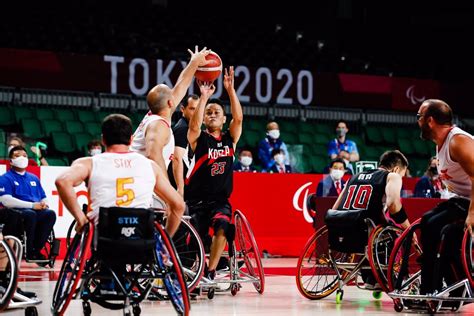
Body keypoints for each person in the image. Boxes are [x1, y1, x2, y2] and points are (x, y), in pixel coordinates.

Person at [55, 114, 185, 238]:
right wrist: (165, 239)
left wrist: (81, 219)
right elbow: (179, 205)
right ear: (131, 139)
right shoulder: (150, 166)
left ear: (103, 139)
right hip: (140, 236)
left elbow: (62, 181)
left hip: (104, 235)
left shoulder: (89, 163)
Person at [130, 46, 210, 209]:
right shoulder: (158, 125)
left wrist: (194, 63)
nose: (175, 95)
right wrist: (167, 189)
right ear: (170, 103)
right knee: (178, 208)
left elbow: (180, 86)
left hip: (141, 180)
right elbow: (154, 155)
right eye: (172, 96)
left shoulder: (156, 114)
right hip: (138, 185)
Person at [185, 66, 243, 280]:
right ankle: (196, 270)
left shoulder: (230, 139)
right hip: (196, 200)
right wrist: (203, 97)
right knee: (196, 241)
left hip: (220, 201)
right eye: (208, 112)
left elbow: (239, 119)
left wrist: (230, 91)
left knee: (223, 226)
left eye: (216, 112)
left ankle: (211, 271)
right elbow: (193, 126)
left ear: (223, 119)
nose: (212, 115)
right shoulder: (199, 139)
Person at [415, 99, 474, 295]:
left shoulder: (458, 141)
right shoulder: (441, 142)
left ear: (430, 120)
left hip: (471, 202)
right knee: (427, 221)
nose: (417, 121)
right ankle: (440, 287)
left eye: (419, 117)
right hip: (463, 199)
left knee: (437, 227)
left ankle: (430, 288)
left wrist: (472, 214)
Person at [329, 150, 411, 289]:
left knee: (376, 227)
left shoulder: (354, 176)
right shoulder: (392, 176)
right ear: (396, 169)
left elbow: (335, 207)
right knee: (393, 231)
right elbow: (393, 205)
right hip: (365, 234)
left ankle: (370, 278)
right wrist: (409, 228)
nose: (402, 178)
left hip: (340, 232)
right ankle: (390, 278)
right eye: (403, 174)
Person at [0, 146, 56, 260]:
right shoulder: (5, 178)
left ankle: (36, 249)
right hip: (15, 211)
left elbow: (43, 197)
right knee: (30, 214)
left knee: (50, 214)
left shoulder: (33, 178)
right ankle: (29, 251)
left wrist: (44, 204)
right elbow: (6, 201)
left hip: (33, 210)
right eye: (17, 156)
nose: (21, 158)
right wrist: (32, 205)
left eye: (24, 156)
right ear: (11, 161)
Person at [168, 94, 199, 196]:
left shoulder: (189, 128)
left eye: (198, 109)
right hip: (179, 185)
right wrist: (180, 188)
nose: (196, 113)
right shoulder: (183, 129)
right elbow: (177, 159)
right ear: (182, 109)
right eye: (192, 109)